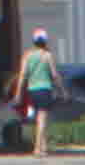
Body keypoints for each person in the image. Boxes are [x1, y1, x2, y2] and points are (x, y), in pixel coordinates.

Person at [15, 27, 60, 156]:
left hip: (32, 90)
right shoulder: (47, 55)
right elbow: (54, 75)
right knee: (42, 119)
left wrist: (18, 93)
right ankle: (37, 147)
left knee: (38, 119)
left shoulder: (27, 56)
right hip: (44, 89)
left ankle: (44, 147)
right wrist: (62, 90)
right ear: (45, 41)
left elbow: (22, 75)